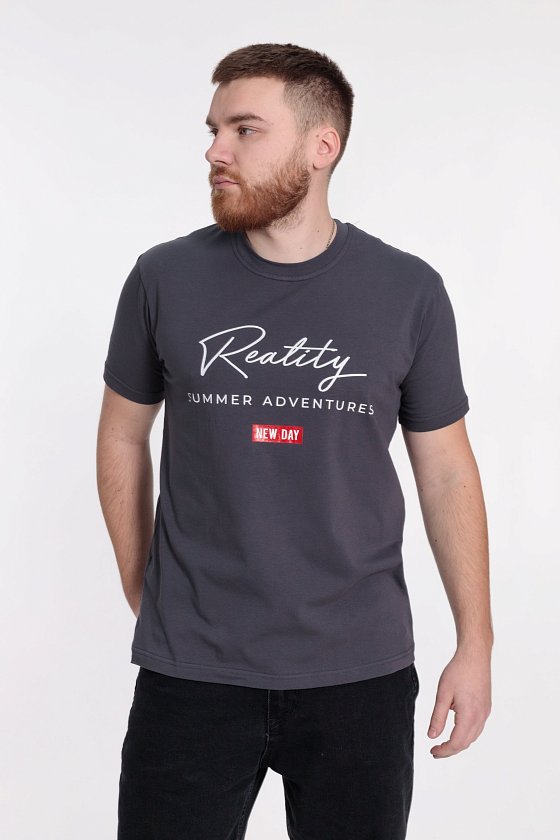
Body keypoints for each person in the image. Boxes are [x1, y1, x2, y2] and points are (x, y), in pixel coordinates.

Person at [97, 42, 493, 840]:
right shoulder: (163, 278)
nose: (215, 151)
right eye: (214, 130)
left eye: (245, 130)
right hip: (192, 671)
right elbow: (121, 438)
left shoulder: (408, 292)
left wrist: (475, 642)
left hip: (360, 673)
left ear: (322, 146)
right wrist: (145, 586)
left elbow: (447, 470)